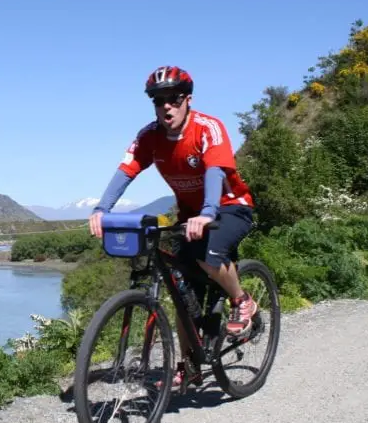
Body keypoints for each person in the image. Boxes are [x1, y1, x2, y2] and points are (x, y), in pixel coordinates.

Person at [88, 65, 258, 376]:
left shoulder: (208, 128)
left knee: (210, 257)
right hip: (192, 216)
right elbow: (127, 170)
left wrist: (207, 213)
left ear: (188, 100)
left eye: (174, 99)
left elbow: (214, 172)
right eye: (158, 100)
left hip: (230, 206)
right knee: (183, 294)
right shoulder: (150, 136)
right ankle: (189, 362)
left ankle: (241, 299)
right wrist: (101, 209)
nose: (166, 105)